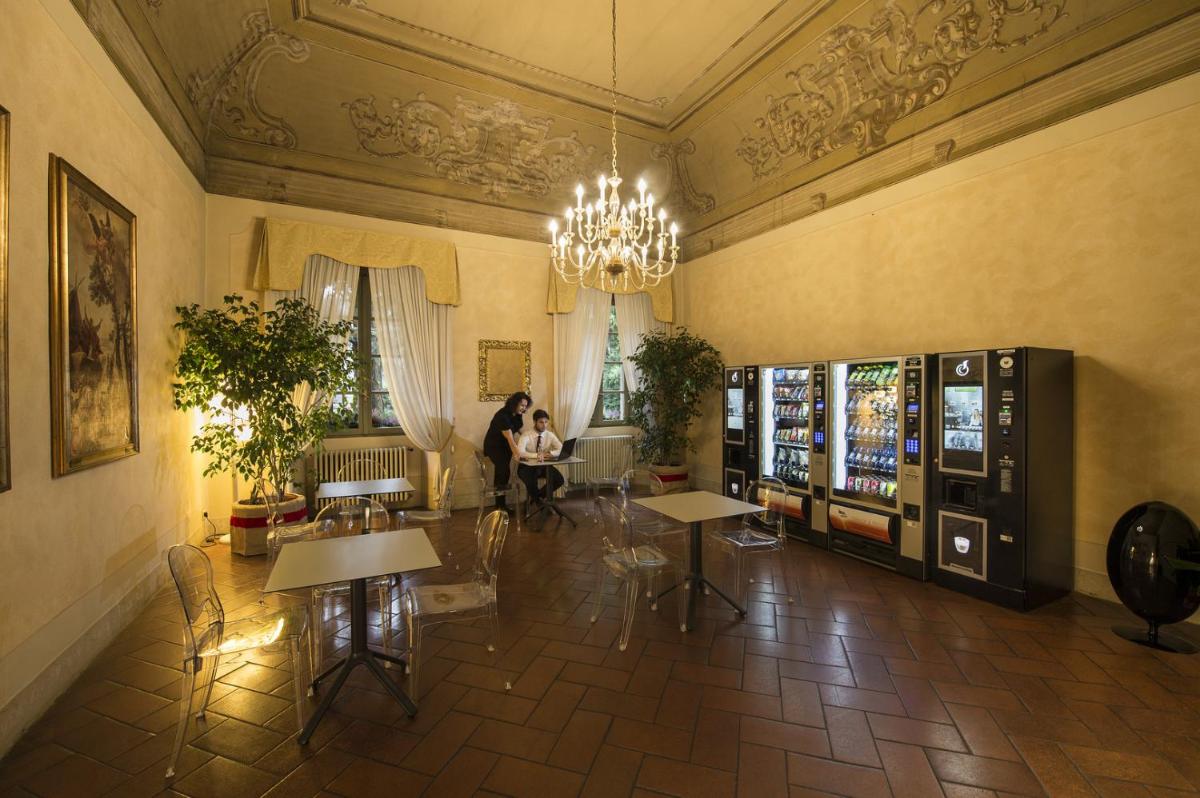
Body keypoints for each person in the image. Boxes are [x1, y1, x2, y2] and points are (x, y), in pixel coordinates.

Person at [483, 392, 530, 511]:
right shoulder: (502, 416)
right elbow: (510, 439)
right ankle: (500, 506)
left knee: (502, 473)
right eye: (522, 405)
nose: (524, 408)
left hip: (504, 446)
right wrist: (519, 455)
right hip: (494, 446)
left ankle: (500, 506)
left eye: (526, 406)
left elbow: (520, 431)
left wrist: (532, 441)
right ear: (514, 403)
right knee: (503, 471)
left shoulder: (517, 414)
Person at [515, 410, 565, 506]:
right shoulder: (526, 435)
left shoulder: (549, 435)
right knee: (531, 482)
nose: (544, 425)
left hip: (543, 466)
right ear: (535, 422)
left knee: (559, 480)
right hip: (526, 467)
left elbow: (561, 449)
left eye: (546, 422)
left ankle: (537, 498)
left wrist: (550, 453)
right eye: (541, 422)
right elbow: (520, 452)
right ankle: (540, 504)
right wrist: (537, 455)